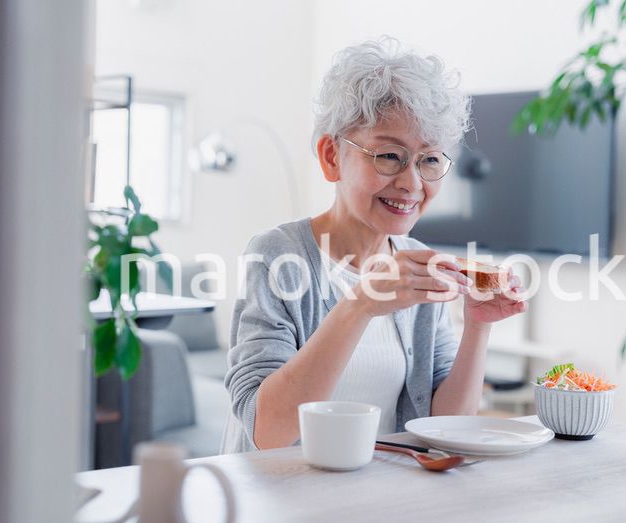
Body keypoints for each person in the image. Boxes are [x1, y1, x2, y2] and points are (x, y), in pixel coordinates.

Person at [222, 37, 526, 453]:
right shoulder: (277, 255)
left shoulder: (417, 264)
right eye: (388, 156)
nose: (412, 183)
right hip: (281, 509)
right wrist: (360, 303)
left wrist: (478, 325)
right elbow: (267, 430)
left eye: (430, 159)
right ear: (332, 156)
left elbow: (443, 428)